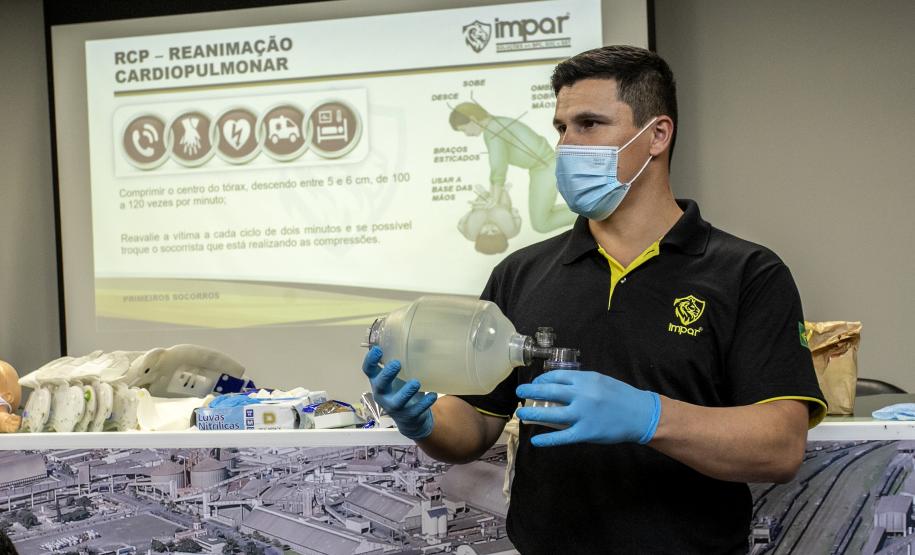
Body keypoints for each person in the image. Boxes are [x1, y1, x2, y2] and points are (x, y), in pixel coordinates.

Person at [364, 45, 826, 554]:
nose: (566, 145)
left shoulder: (747, 273)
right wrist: (425, 423)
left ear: (657, 134)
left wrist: (650, 417)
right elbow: (476, 424)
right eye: (561, 128)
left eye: (589, 124)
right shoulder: (522, 273)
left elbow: (780, 448)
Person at [450, 102, 576, 233]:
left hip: (546, 168)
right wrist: (494, 198)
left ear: (473, 119)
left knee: (541, 224)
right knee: (543, 220)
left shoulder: (493, 130)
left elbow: (498, 167)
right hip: (545, 166)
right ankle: (590, 215)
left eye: (464, 129)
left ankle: (593, 217)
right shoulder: (497, 123)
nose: (466, 134)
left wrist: (494, 199)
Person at [457, 184, 522, 254]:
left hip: (481, 210)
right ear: (502, 234)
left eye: (485, 232)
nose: (489, 228)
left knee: (477, 207)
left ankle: (483, 193)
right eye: (494, 231)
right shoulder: (511, 232)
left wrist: (469, 213)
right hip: (499, 210)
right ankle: (504, 191)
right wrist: (514, 213)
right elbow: (517, 221)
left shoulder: (470, 235)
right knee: (505, 206)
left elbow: (460, 225)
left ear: (478, 236)